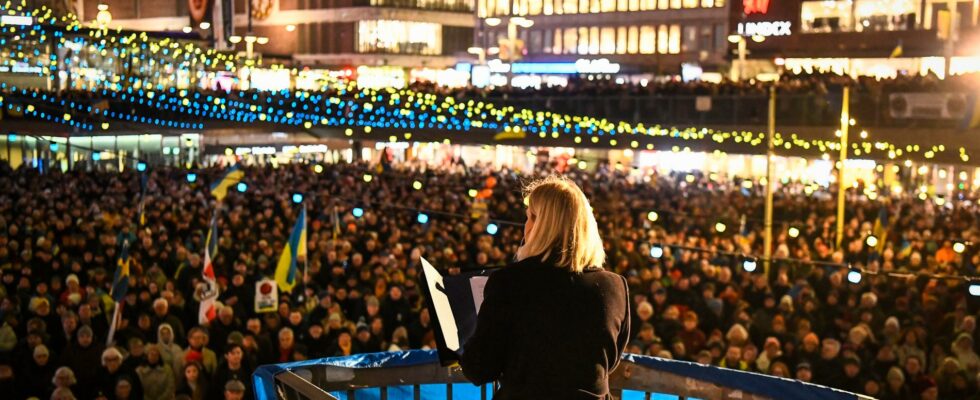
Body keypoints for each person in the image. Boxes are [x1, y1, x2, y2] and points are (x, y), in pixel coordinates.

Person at [461, 176, 631, 399]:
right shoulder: (615, 286)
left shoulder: (511, 282)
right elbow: (610, 361)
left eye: (531, 217)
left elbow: (480, 368)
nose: (526, 226)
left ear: (543, 226)